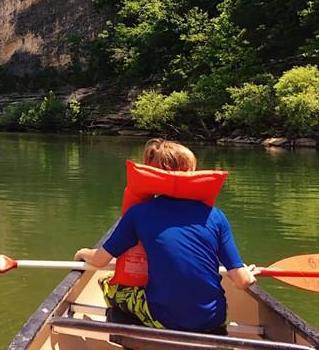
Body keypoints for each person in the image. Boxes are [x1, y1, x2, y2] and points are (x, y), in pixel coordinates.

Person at [74, 139, 258, 335]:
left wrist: (82, 253)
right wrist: (245, 273)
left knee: (106, 283)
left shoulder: (138, 213)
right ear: (191, 171)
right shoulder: (215, 216)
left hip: (164, 320)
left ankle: (135, 331)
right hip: (214, 320)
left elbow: (101, 260)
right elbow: (241, 281)